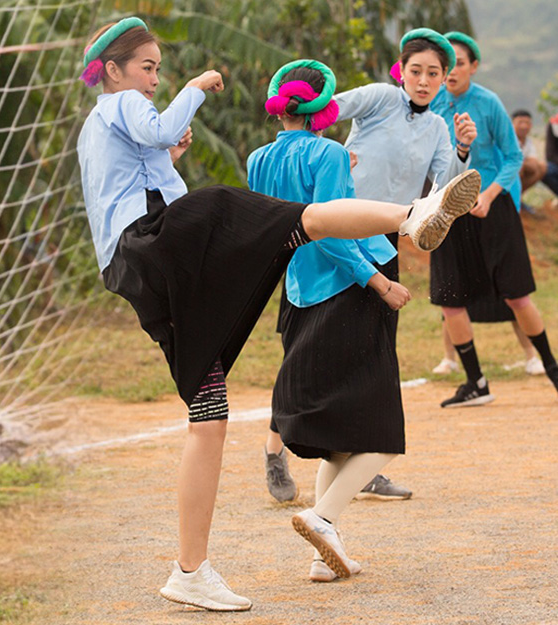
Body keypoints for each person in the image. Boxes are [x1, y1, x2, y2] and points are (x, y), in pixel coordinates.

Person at [76, 17, 479, 610]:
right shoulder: (116, 106)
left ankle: (190, 571)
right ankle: (412, 215)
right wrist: (197, 84)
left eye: (159, 70)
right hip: (151, 245)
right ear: (112, 71)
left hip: (142, 266)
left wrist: (168, 156)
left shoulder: (121, 129)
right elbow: (160, 133)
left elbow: (156, 174)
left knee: (208, 408)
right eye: (148, 68)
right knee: (297, 216)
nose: (156, 79)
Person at [264, 28, 473, 505]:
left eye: (434, 74)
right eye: (416, 71)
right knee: (307, 348)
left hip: (383, 241)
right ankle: (275, 449)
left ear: (445, 80)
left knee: (371, 353)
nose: (423, 81)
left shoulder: (439, 128)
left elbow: (444, 189)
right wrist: (326, 156)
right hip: (332, 228)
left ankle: (360, 466)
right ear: (403, 71)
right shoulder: (380, 97)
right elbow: (326, 103)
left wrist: (461, 152)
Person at [248, 59, 411, 583]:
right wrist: (380, 283)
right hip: (349, 291)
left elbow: (277, 226)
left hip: (298, 296)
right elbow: (336, 231)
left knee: (337, 436)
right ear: (326, 106)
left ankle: (323, 554)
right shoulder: (329, 151)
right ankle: (320, 517)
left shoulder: (258, 159)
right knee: (382, 433)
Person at [430, 31, 558, 405]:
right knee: (449, 299)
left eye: (459, 63)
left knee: (517, 295)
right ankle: (476, 383)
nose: (451, 70)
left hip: (494, 205)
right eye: (445, 64)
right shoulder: (432, 103)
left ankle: (552, 369)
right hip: (448, 210)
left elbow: (513, 157)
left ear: (474, 66)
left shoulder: (488, 102)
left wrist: (488, 194)